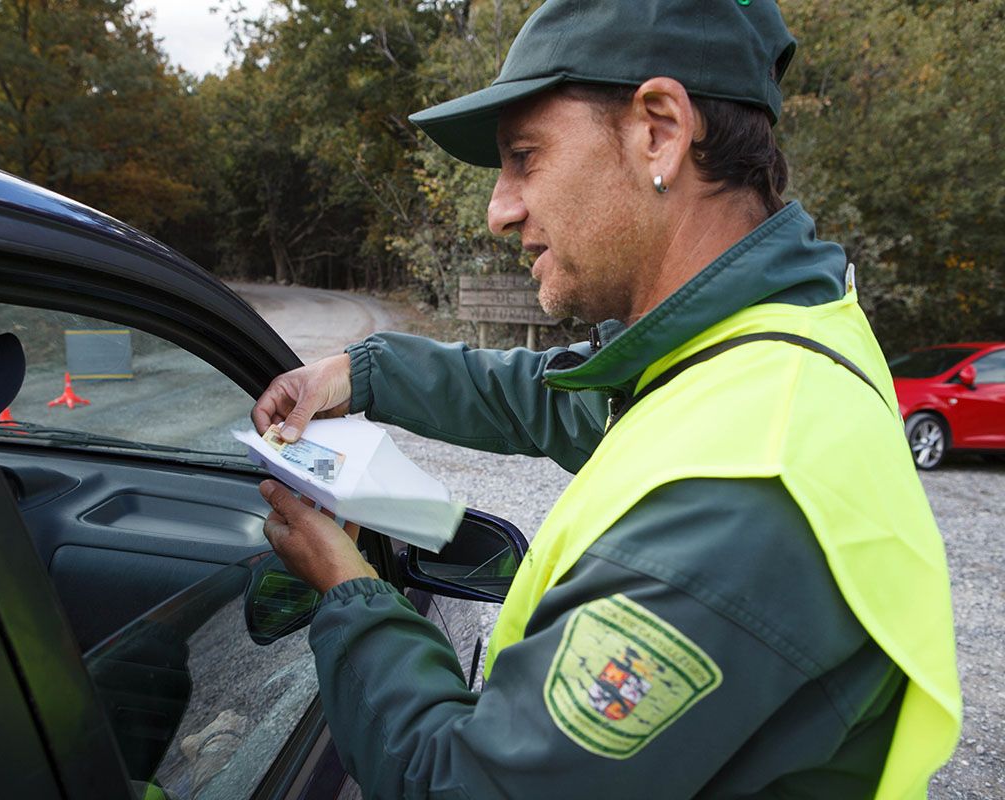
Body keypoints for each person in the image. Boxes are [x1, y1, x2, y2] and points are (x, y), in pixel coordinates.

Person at [250, 1, 961, 797]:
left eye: (525, 157)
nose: (499, 209)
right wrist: (362, 371)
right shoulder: (768, 344)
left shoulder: (738, 499)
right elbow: (557, 397)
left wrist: (346, 590)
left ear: (659, 131)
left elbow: (464, 787)